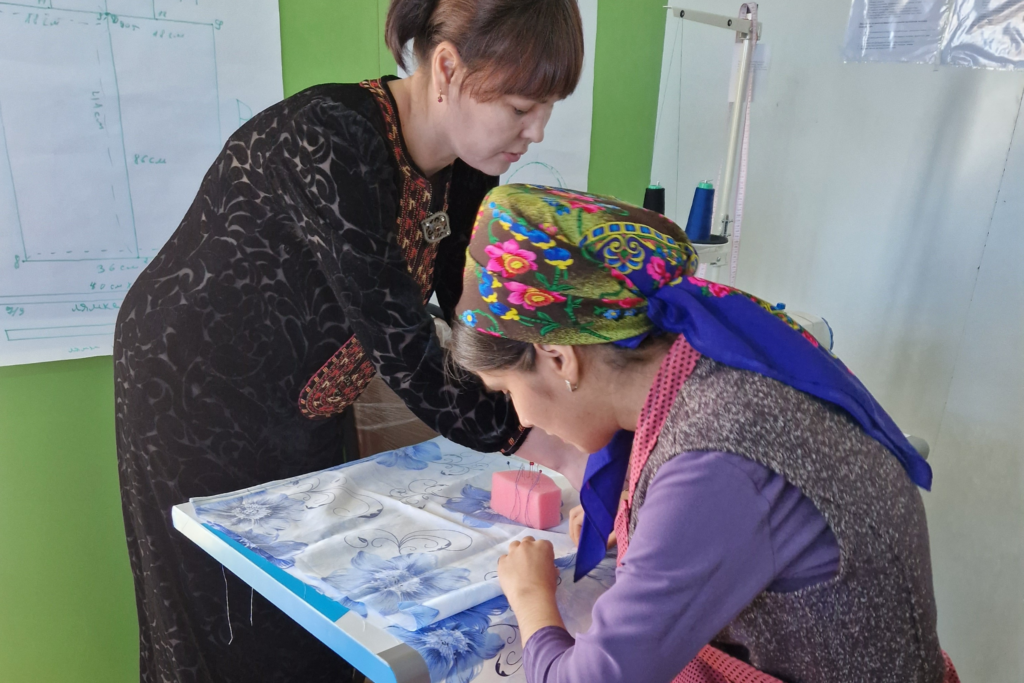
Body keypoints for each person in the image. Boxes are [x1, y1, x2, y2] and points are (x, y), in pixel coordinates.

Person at [112, 2, 585, 681]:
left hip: (307, 386)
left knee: (317, 594)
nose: (535, 132)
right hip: (191, 384)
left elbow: (476, 315)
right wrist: (539, 439)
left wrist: (561, 395)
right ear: (448, 67)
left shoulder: (471, 165)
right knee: (221, 607)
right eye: (519, 107)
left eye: (547, 109)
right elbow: (406, 344)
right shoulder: (332, 138)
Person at [448, 184, 955, 682]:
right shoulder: (715, 364)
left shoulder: (718, 460)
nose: (522, 417)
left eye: (507, 391)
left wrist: (532, 598)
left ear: (559, 357)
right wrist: (647, 527)